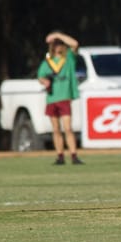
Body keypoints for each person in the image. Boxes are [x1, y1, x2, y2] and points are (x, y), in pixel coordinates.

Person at [37, 31, 83, 165]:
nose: (58, 46)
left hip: (64, 97)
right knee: (56, 129)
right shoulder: (47, 61)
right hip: (52, 98)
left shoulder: (68, 58)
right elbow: (40, 76)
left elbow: (75, 44)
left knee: (68, 128)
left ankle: (74, 155)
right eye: (55, 44)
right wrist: (44, 81)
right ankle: (60, 156)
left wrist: (58, 35)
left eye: (59, 44)